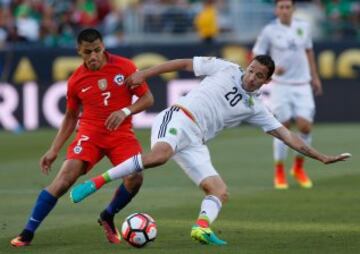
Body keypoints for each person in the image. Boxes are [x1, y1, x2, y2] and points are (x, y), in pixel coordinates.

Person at [70, 55, 350, 246]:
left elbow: (288, 136)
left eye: (259, 76)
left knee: (219, 191)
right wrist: (145, 72)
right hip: (178, 117)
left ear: (266, 82)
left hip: (196, 141)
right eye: (251, 70)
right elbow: (182, 63)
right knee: (159, 156)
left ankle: (201, 227)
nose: (251, 76)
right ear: (247, 66)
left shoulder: (256, 108)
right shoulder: (226, 68)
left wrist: (321, 157)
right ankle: (96, 182)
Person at [10, 28, 154, 247]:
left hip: (121, 135)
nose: (93, 56)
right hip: (90, 135)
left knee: (135, 176)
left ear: (103, 46)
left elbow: (148, 98)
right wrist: (54, 150)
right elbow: (70, 117)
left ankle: (107, 215)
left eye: (97, 50)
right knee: (64, 179)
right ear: (79, 51)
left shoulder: (125, 67)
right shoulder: (76, 80)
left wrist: (125, 111)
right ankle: (27, 232)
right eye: (88, 52)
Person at [252, 0, 323, 190]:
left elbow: (308, 51)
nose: (284, 10)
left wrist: (315, 76)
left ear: (293, 9)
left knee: (305, 126)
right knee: (282, 127)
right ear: (276, 10)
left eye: (287, 7)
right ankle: (279, 170)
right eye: (281, 7)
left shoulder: (303, 27)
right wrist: (272, 70)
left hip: (302, 84)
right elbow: (257, 54)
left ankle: (298, 168)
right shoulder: (269, 30)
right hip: (281, 85)